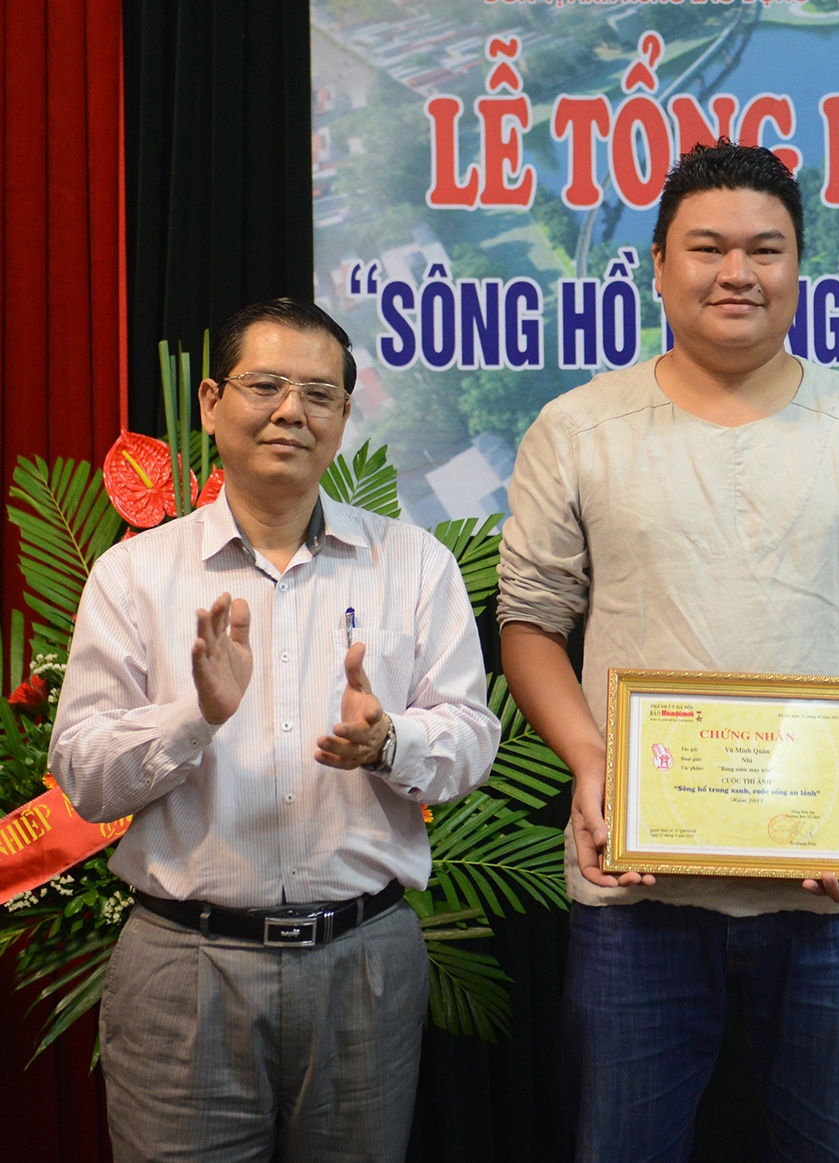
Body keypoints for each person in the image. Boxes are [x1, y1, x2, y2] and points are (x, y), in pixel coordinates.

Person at [496, 141, 839, 1161]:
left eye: (765, 249)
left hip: (832, 887)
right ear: (658, 266)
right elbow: (530, 619)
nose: (736, 272)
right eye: (707, 248)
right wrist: (593, 764)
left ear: (799, 268)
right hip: (637, 879)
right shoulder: (578, 427)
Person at [50, 297, 501, 1161]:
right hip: (185, 969)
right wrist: (197, 716)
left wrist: (391, 743)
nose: (292, 410)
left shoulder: (415, 565)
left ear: (344, 414)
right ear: (211, 402)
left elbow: (473, 742)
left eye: (319, 393)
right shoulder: (133, 574)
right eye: (266, 386)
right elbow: (83, 775)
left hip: (365, 963)